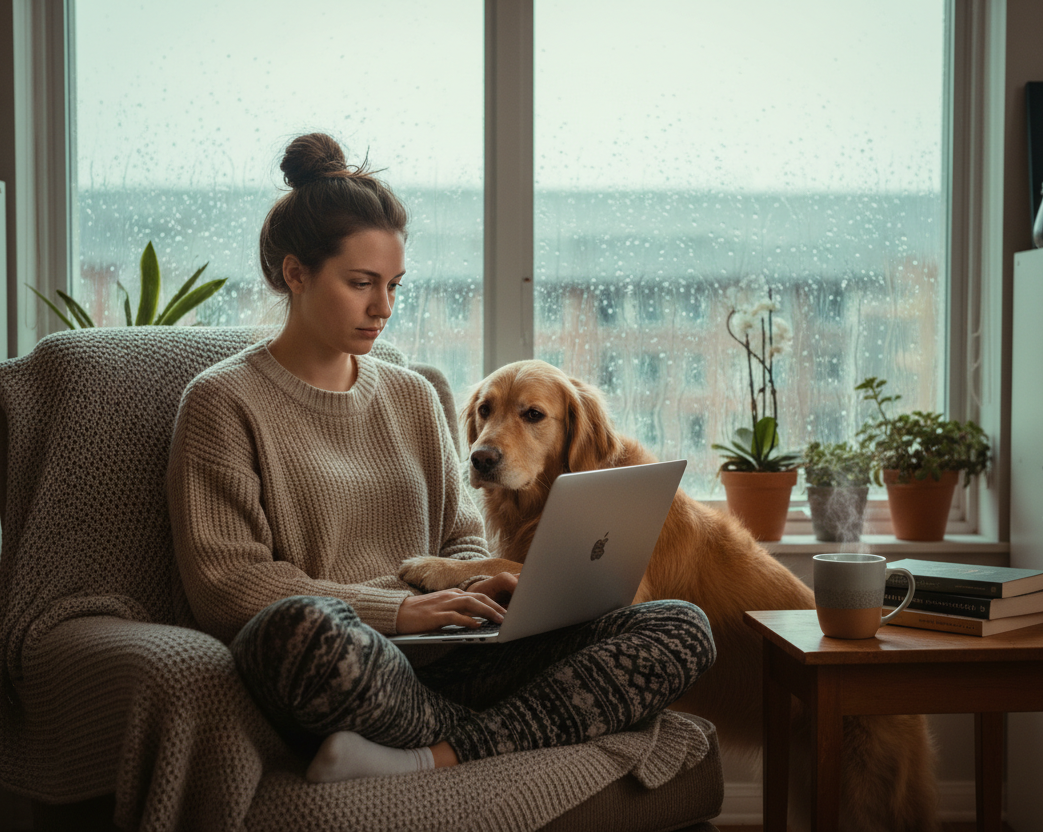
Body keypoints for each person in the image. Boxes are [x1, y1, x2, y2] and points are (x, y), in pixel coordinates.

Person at [166, 132, 715, 783]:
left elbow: (459, 536)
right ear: (296, 274)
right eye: (362, 284)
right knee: (302, 630)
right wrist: (397, 611)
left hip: (451, 656)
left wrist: (480, 583)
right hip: (342, 656)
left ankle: (430, 755)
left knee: (682, 628)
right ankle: (524, 730)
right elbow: (231, 587)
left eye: (395, 285)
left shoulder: (413, 394)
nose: (385, 308)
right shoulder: (221, 403)